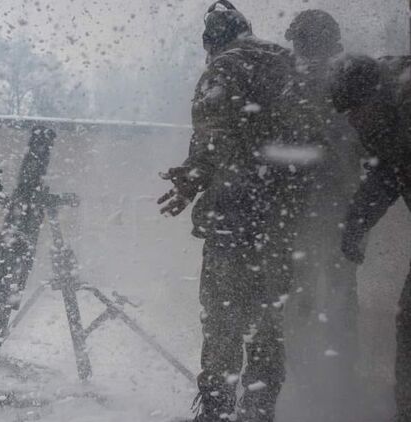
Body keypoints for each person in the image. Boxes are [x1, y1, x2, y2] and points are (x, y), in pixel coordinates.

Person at [158, 1, 304, 420]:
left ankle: (217, 411)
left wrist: (191, 178)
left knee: (224, 322)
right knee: (267, 326)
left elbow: (213, 137)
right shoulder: (286, 64)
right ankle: (259, 411)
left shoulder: (225, 67)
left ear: (211, 42)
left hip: (234, 218)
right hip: (282, 219)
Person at [282, 10, 365, 420]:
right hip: (343, 211)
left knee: (298, 301)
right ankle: (339, 385)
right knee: (339, 299)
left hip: (301, 213)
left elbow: (278, 150)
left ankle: (304, 387)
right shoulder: (355, 81)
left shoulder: (289, 85)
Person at [331, 54, 411, 422]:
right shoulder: (386, 119)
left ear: (372, 96)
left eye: (355, 110)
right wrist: (356, 225)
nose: (352, 121)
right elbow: (386, 173)